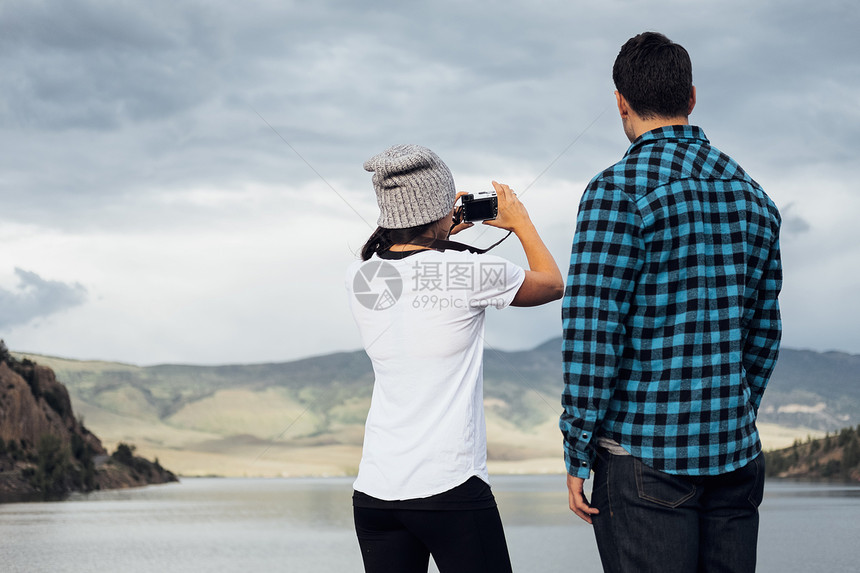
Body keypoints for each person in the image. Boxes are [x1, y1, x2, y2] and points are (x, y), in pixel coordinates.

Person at [559, 32, 782, 572]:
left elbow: (593, 332)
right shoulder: (754, 195)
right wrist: (731, 413)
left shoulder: (617, 191)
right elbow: (763, 332)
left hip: (644, 462)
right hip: (735, 456)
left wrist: (577, 448)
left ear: (621, 102)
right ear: (692, 97)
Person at [346, 144, 563, 573]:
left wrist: (435, 234)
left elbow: (407, 264)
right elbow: (553, 284)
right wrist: (520, 223)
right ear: (438, 208)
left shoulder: (360, 274)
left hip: (375, 492)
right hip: (449, 488)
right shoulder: (470, 269)